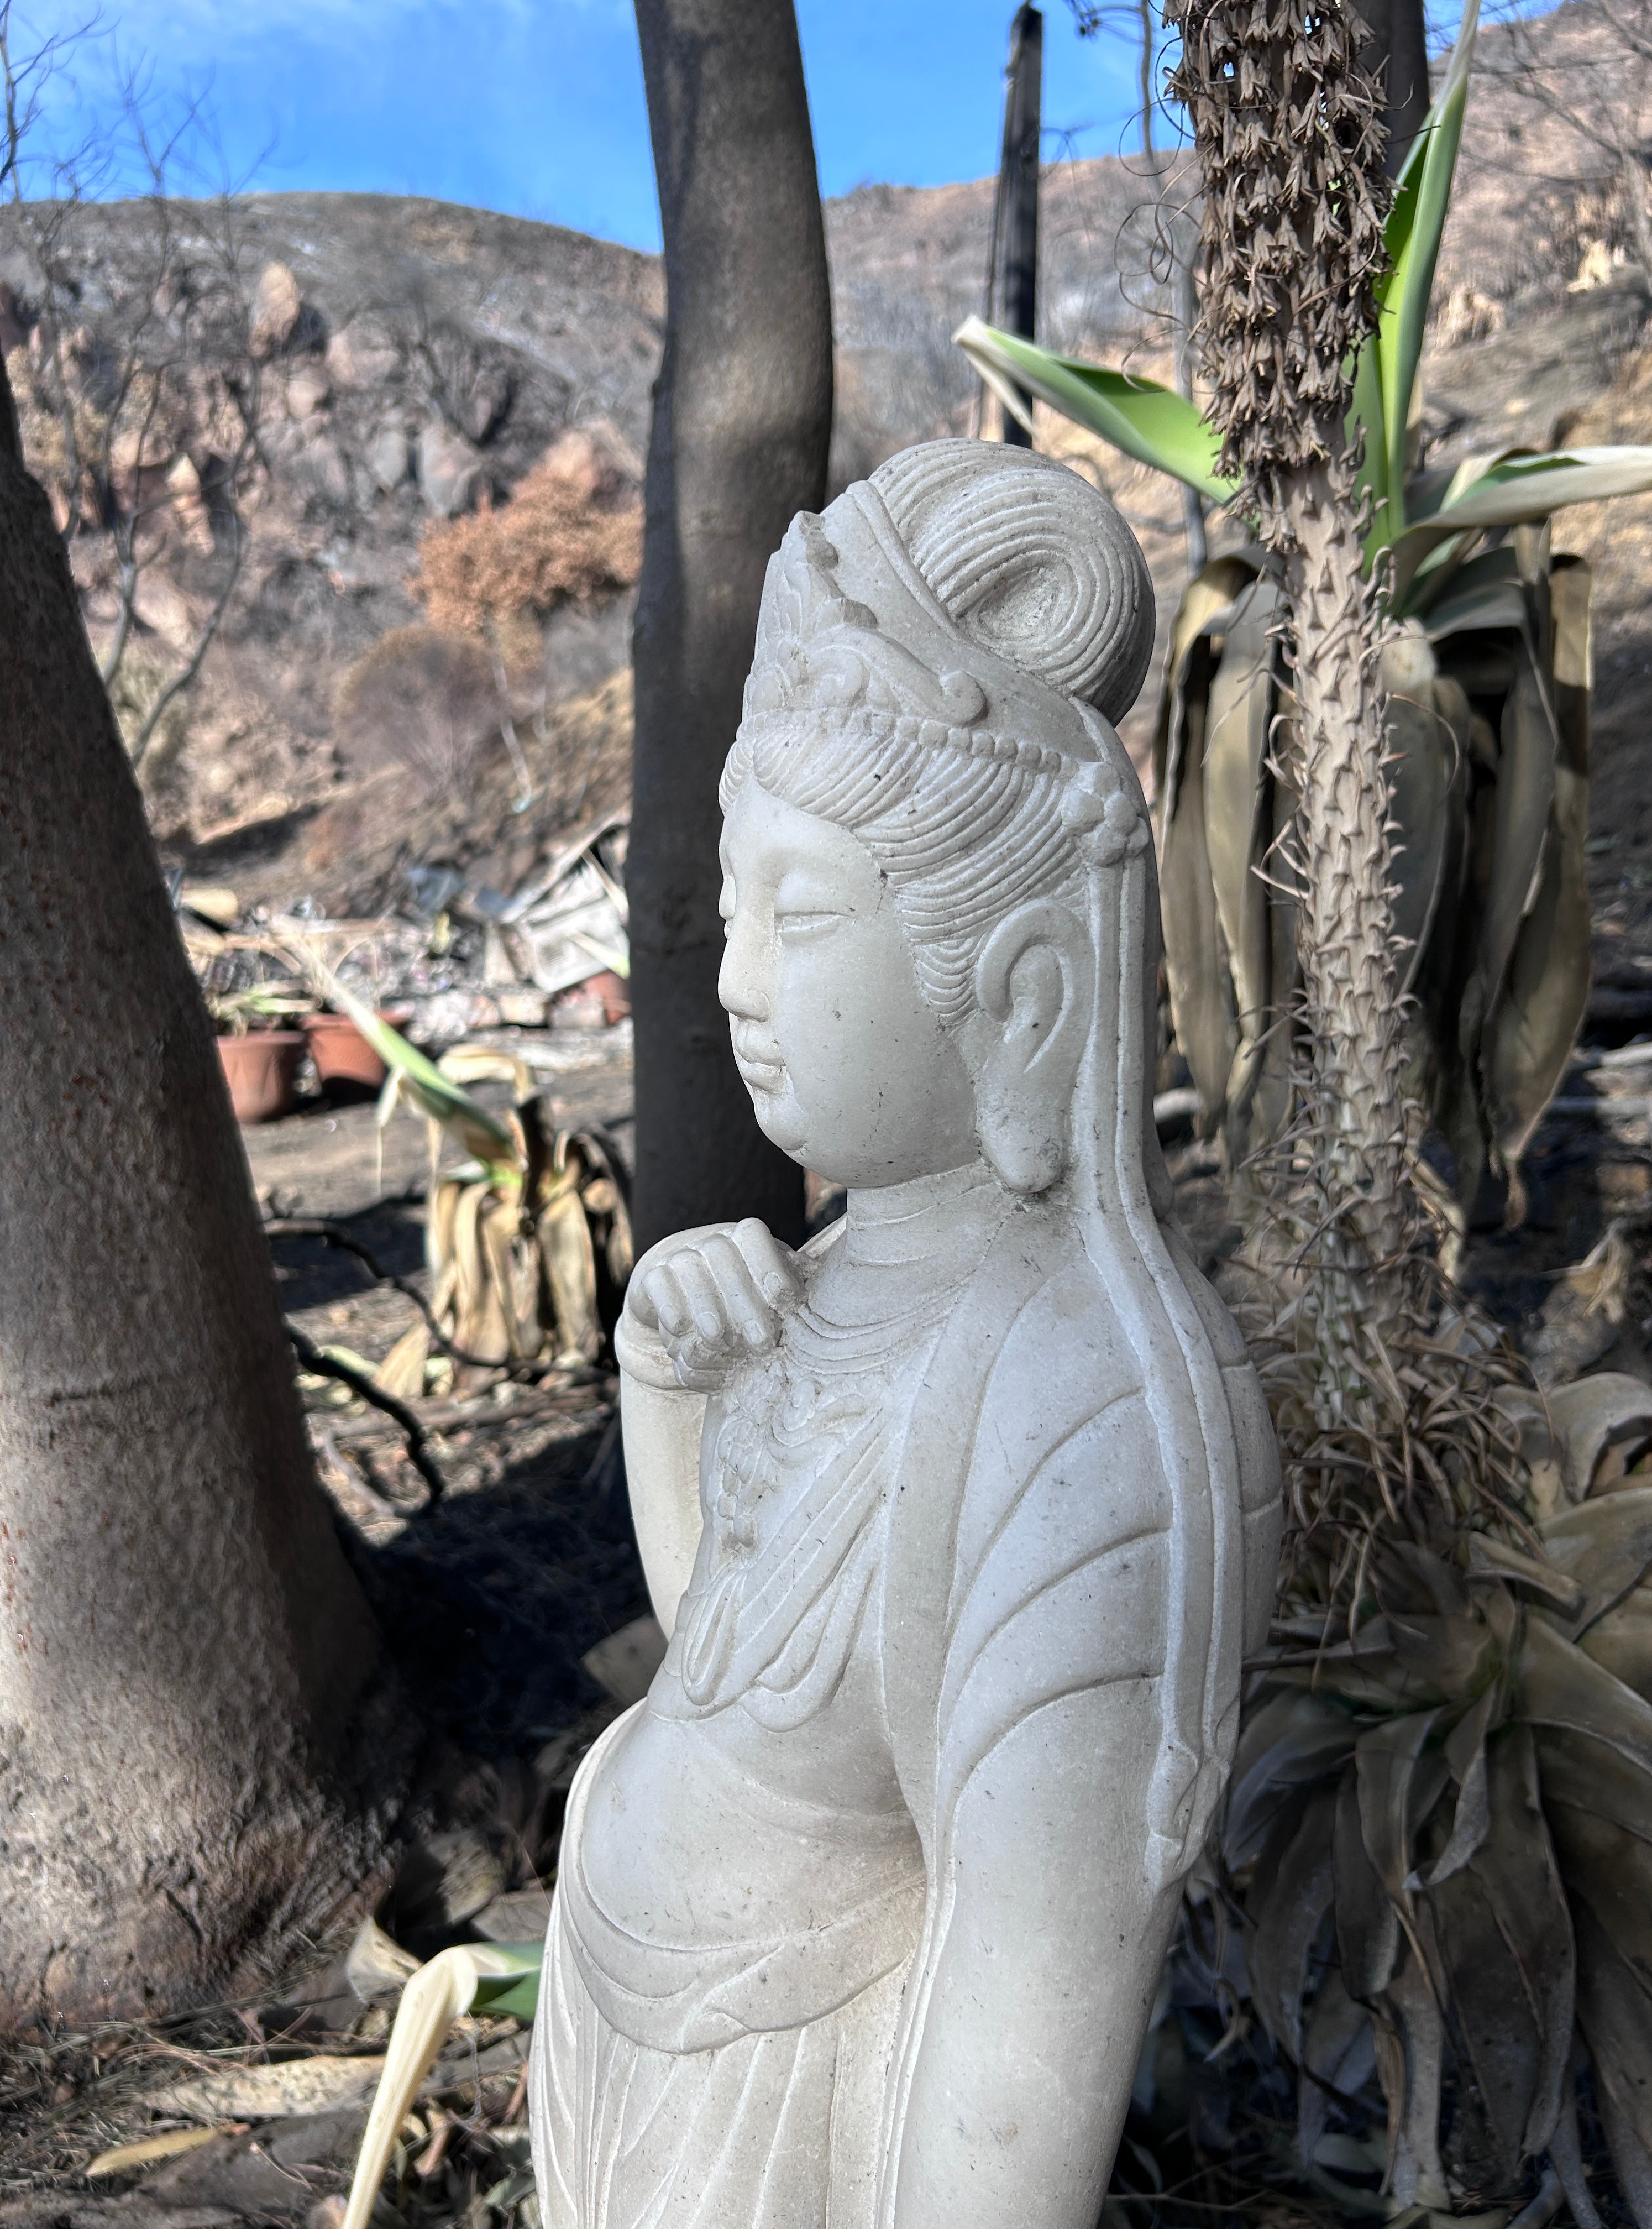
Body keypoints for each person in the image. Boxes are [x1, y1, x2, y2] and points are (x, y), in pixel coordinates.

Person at [531, 439, 1282, 2229]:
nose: (735, 982)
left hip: (796, 2100)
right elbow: (735, 1672)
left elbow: (1022, 2044)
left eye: (803, 920)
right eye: (737, 907)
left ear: (1019, 990)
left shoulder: (1088, 1416)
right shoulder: (837, 1275)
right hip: (636, 2050)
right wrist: (667, 1399)